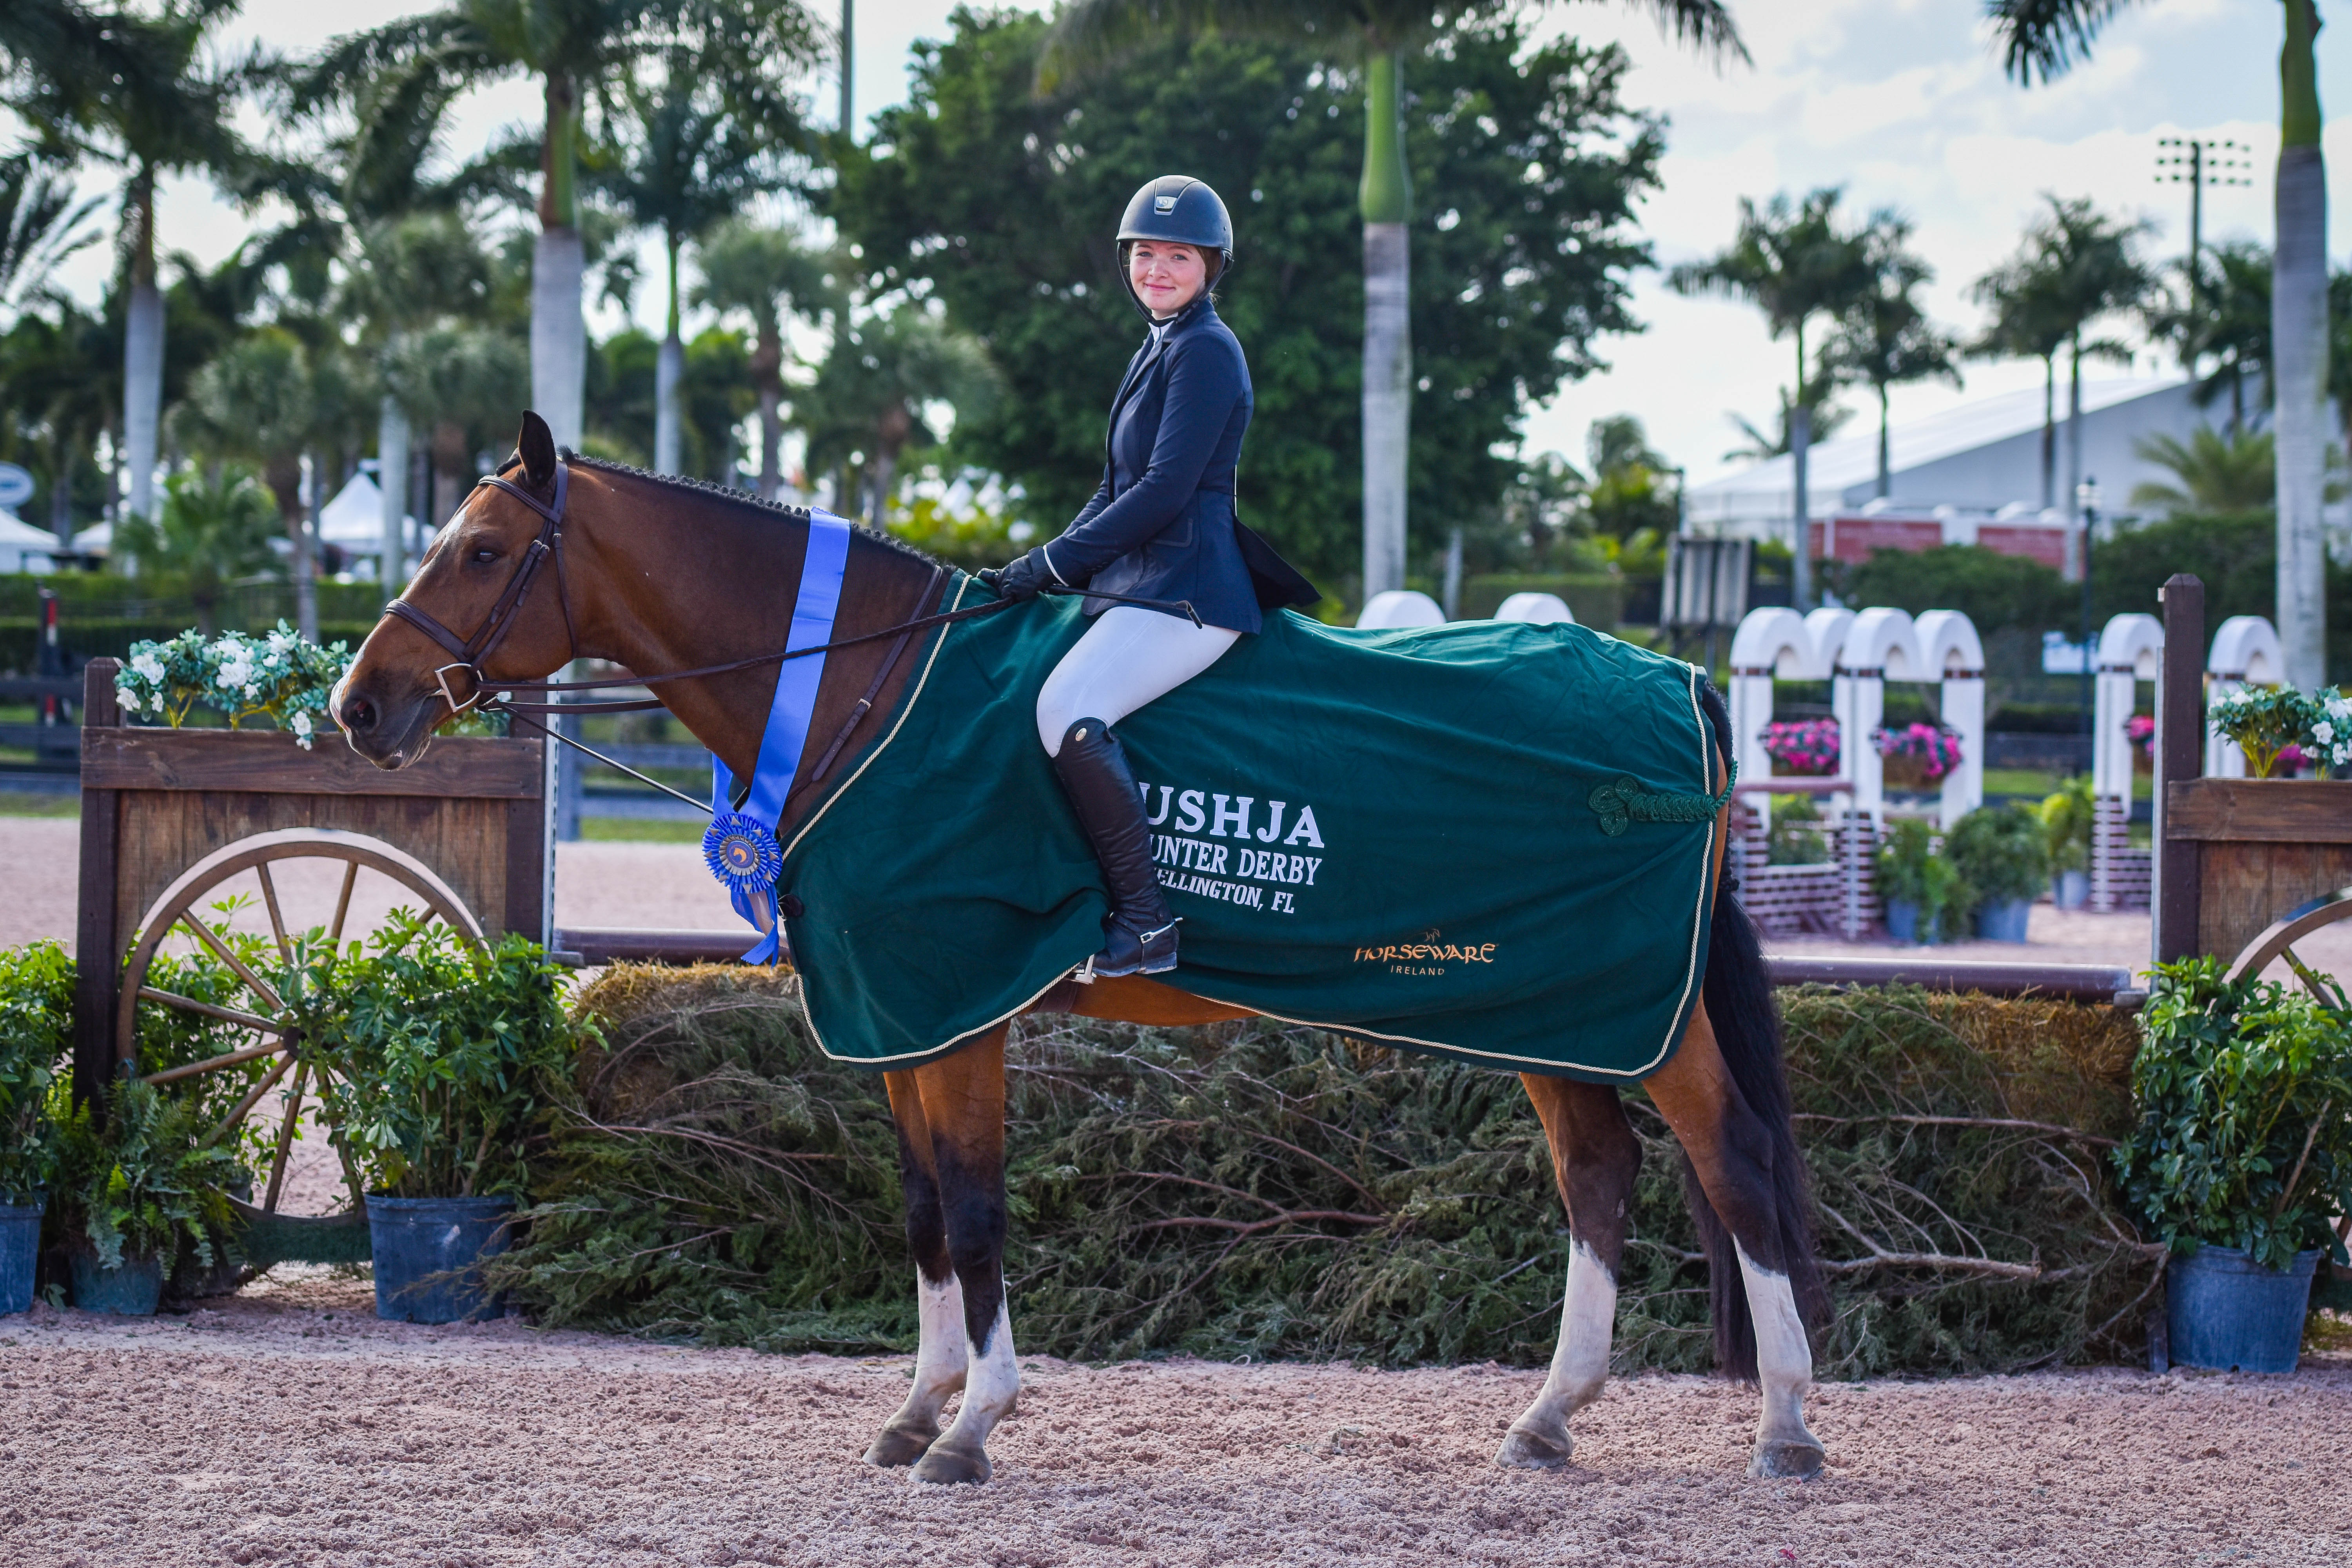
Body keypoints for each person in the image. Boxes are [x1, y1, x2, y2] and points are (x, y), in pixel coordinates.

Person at [986, 174, 1316, 978]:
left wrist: (1056, 564)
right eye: (1144, 253)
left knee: (1066, 705)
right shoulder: (1159, 342)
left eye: (1177, 256)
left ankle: (1148, 920)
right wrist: (1048, 563)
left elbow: (1166, 490)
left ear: (1211, 264)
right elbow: (1112, 484)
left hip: (1192, 590)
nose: (1156, 269)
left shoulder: (1206, 348)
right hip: (1139, 582)